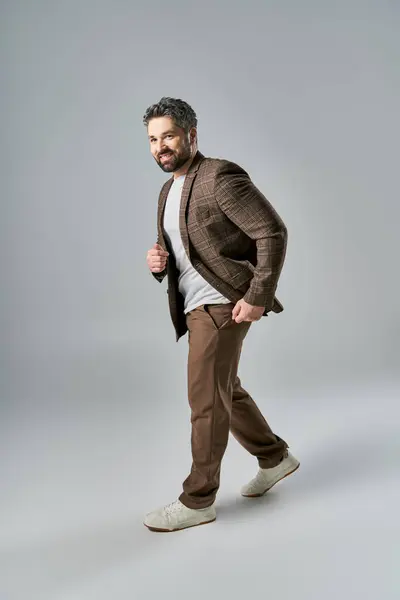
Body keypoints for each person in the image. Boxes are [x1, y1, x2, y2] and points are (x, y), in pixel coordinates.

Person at [143, 97, 299, 532]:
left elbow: (272, 231)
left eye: (168, 136)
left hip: (221, 304)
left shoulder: (219, 176)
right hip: (196, 305)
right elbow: (191, 249)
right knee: (224, 389)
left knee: (206, 400)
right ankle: (274, 457)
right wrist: (160, 262)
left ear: (192, 135)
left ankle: (198, 499)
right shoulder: (168, 188)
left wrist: (257, 295)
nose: (161, 147)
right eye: (153, 140)